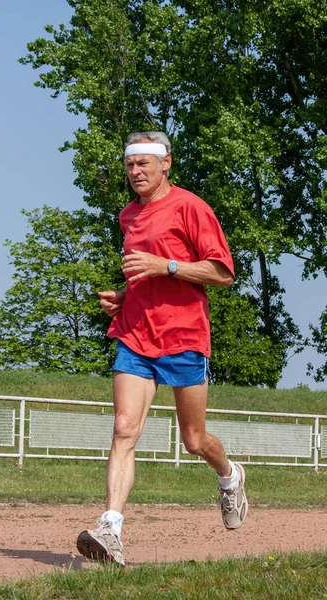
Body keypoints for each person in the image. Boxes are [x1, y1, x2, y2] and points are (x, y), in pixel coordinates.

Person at [77, 131, 248, 567]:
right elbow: (144, 277)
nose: (135, 172)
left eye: (144, 165)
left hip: (184, 336)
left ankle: (229, 477)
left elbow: (223, 272)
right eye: (130, 165)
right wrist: (124, 294)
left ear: (165, 163)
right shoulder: (128, 215)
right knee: (124, 428)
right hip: (135, 333)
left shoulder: (191, 207)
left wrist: (165, 266)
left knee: (194, 440)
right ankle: (110, 529)